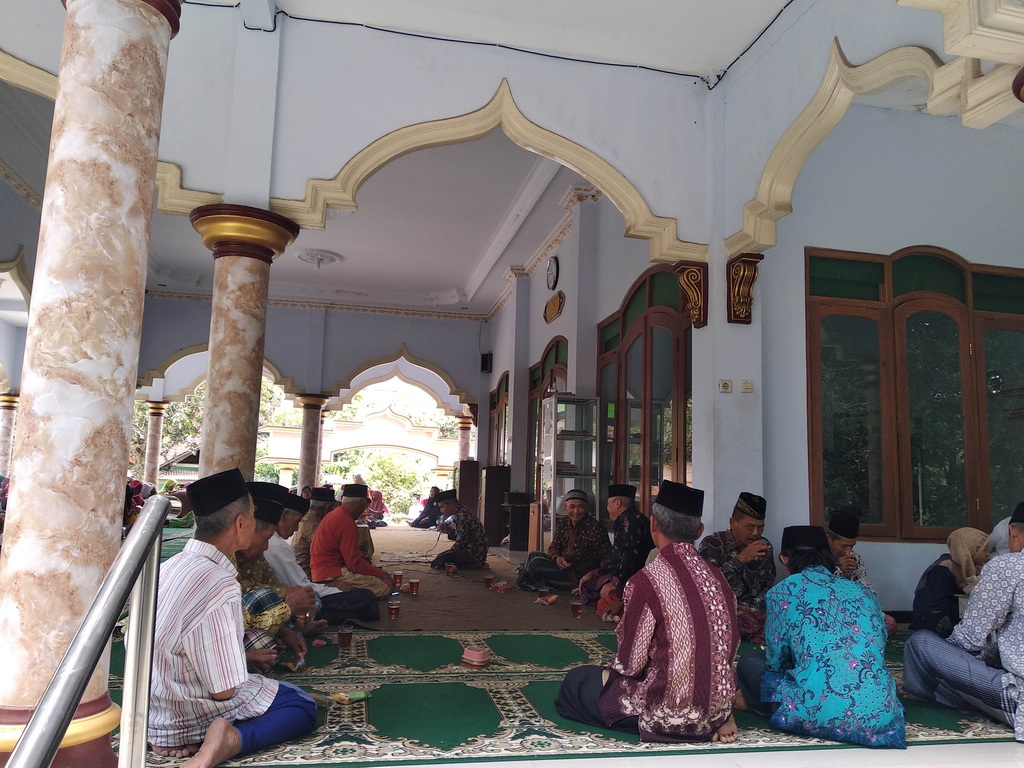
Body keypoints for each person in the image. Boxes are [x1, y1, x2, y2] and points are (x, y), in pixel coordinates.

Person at [149, 468, 317, 767]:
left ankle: (176, 735)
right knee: (300, 704)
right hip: (190, 708)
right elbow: (222, 690)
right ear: (241, 523)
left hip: (157, 714)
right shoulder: (219, 581)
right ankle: (230, 739)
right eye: (252, 516)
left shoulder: (172, 565)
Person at [555, 480, 739, 742]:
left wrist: (609, 673)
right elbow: (730, 647)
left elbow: (630, 663)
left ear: (653, 524)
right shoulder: (719, 578)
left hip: (664, 711)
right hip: (716, 707)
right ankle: (712, 716)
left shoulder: (646, 581)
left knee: (578, 680)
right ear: (699, 531)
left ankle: (683, 721)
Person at [735, 525, 905, 749]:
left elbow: (777, 662)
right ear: (828, 556)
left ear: (784, 559)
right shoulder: (862, 592)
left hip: (813, 709)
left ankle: (759, 705)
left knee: (750, 662)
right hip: (879, 713)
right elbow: (878, 646)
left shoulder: (782, 592)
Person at [903, 504, 1024, 741]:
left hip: (1017, 696)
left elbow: (971, 637)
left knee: (921, 643)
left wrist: (942, 661)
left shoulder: (1008, 566)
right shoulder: (944, 570)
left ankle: (924, 687)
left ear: (1013, 531)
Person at [257, 481, 380, 624]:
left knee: (346, 588)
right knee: (365, 597)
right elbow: (302, 589)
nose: (296, 529)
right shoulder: (276, 546)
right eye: (296, 522)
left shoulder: (274, 543)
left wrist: (329, 586)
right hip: (297, 598)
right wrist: (335, 590)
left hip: (305, 583)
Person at [234, 495, 315, 671]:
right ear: (245, 528)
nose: (266, 547)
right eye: (266, 538)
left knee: (303, 597)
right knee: (264, 601)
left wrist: (284, 631)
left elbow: (273, 585)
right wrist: (287, 608)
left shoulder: (255, 555)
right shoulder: (221, 562)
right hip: (221, 642)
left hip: (246, 624)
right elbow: (235, 623)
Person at [698, 492, 775, 645]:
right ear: (733, 522)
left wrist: (751, 609)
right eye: (750, 527)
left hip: (752, 619)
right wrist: (739, 560)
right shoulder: (712, 544)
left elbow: (767, 587)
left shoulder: (764, 547)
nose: (756, 533)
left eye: (760, 527)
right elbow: (704, 586)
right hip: (718, 617)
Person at [578, 484, 653, 619]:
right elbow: (617, 558)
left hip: (633, 579)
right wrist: (595, 573)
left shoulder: (629, 521)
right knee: (588, 584)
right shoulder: (628, 518)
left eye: (608, 504)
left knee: (601, 598)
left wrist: (614, 583)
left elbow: (630, 556)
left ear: (617, 503)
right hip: (622, 575)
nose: (607, 508)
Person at [516, 489, 612, 592]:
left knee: (535, 565)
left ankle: (530, 582)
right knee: (533, 555)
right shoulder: (563, 523)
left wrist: (596, 576)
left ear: (586, 507)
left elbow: (608, 558)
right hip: (563, 567)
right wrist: (557, 558)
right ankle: (528, 581)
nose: (576, 511)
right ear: (565, 507)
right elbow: (554, 547)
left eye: (580, 507)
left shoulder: (595, 528)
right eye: (572, 507)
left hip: (577, 576)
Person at [309, 483, 393, 597]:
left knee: (372, 577)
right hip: (331, 574)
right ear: (362, 503)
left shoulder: (335, 514)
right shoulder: (346, 521)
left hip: (321, 570)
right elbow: (354, 563)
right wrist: (382, 574)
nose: (364, 509)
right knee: (383, 588)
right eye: (365, 505)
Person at [825, 507, 897, 635]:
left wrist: (878, 614)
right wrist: (838, 570)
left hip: (853, 611)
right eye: (843, 546)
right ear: (828, 538)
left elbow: (866, 589)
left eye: (852, 546)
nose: (848, 551)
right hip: (827, 612)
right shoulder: (816, 558)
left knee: (889, 623)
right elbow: (819, 592)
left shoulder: (855, 558)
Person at [910, 527, 989, 638]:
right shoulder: (942, 570)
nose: (988, 553)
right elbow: (937, 607)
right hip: (932, 624)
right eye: (984, 550)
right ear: (970, 550)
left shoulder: (974, 569)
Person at [429, 489, 488, 570]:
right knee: (441, 558)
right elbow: (461, 535)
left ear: (451, 504)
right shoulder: (460, 512)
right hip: (471, 548)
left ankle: (475, 563)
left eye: (442, 507)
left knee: (440, 562)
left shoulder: (462, 516)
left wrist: (450, 553)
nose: (441, 511)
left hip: (473, 551)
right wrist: (448, 530)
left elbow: (461, 542)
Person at [292, 487, 338, 578]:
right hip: (308, 575)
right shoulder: (315, 525)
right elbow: (329, 551)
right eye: (333, 507)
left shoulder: (306, 518)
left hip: (298, 570)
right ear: (328, 507)